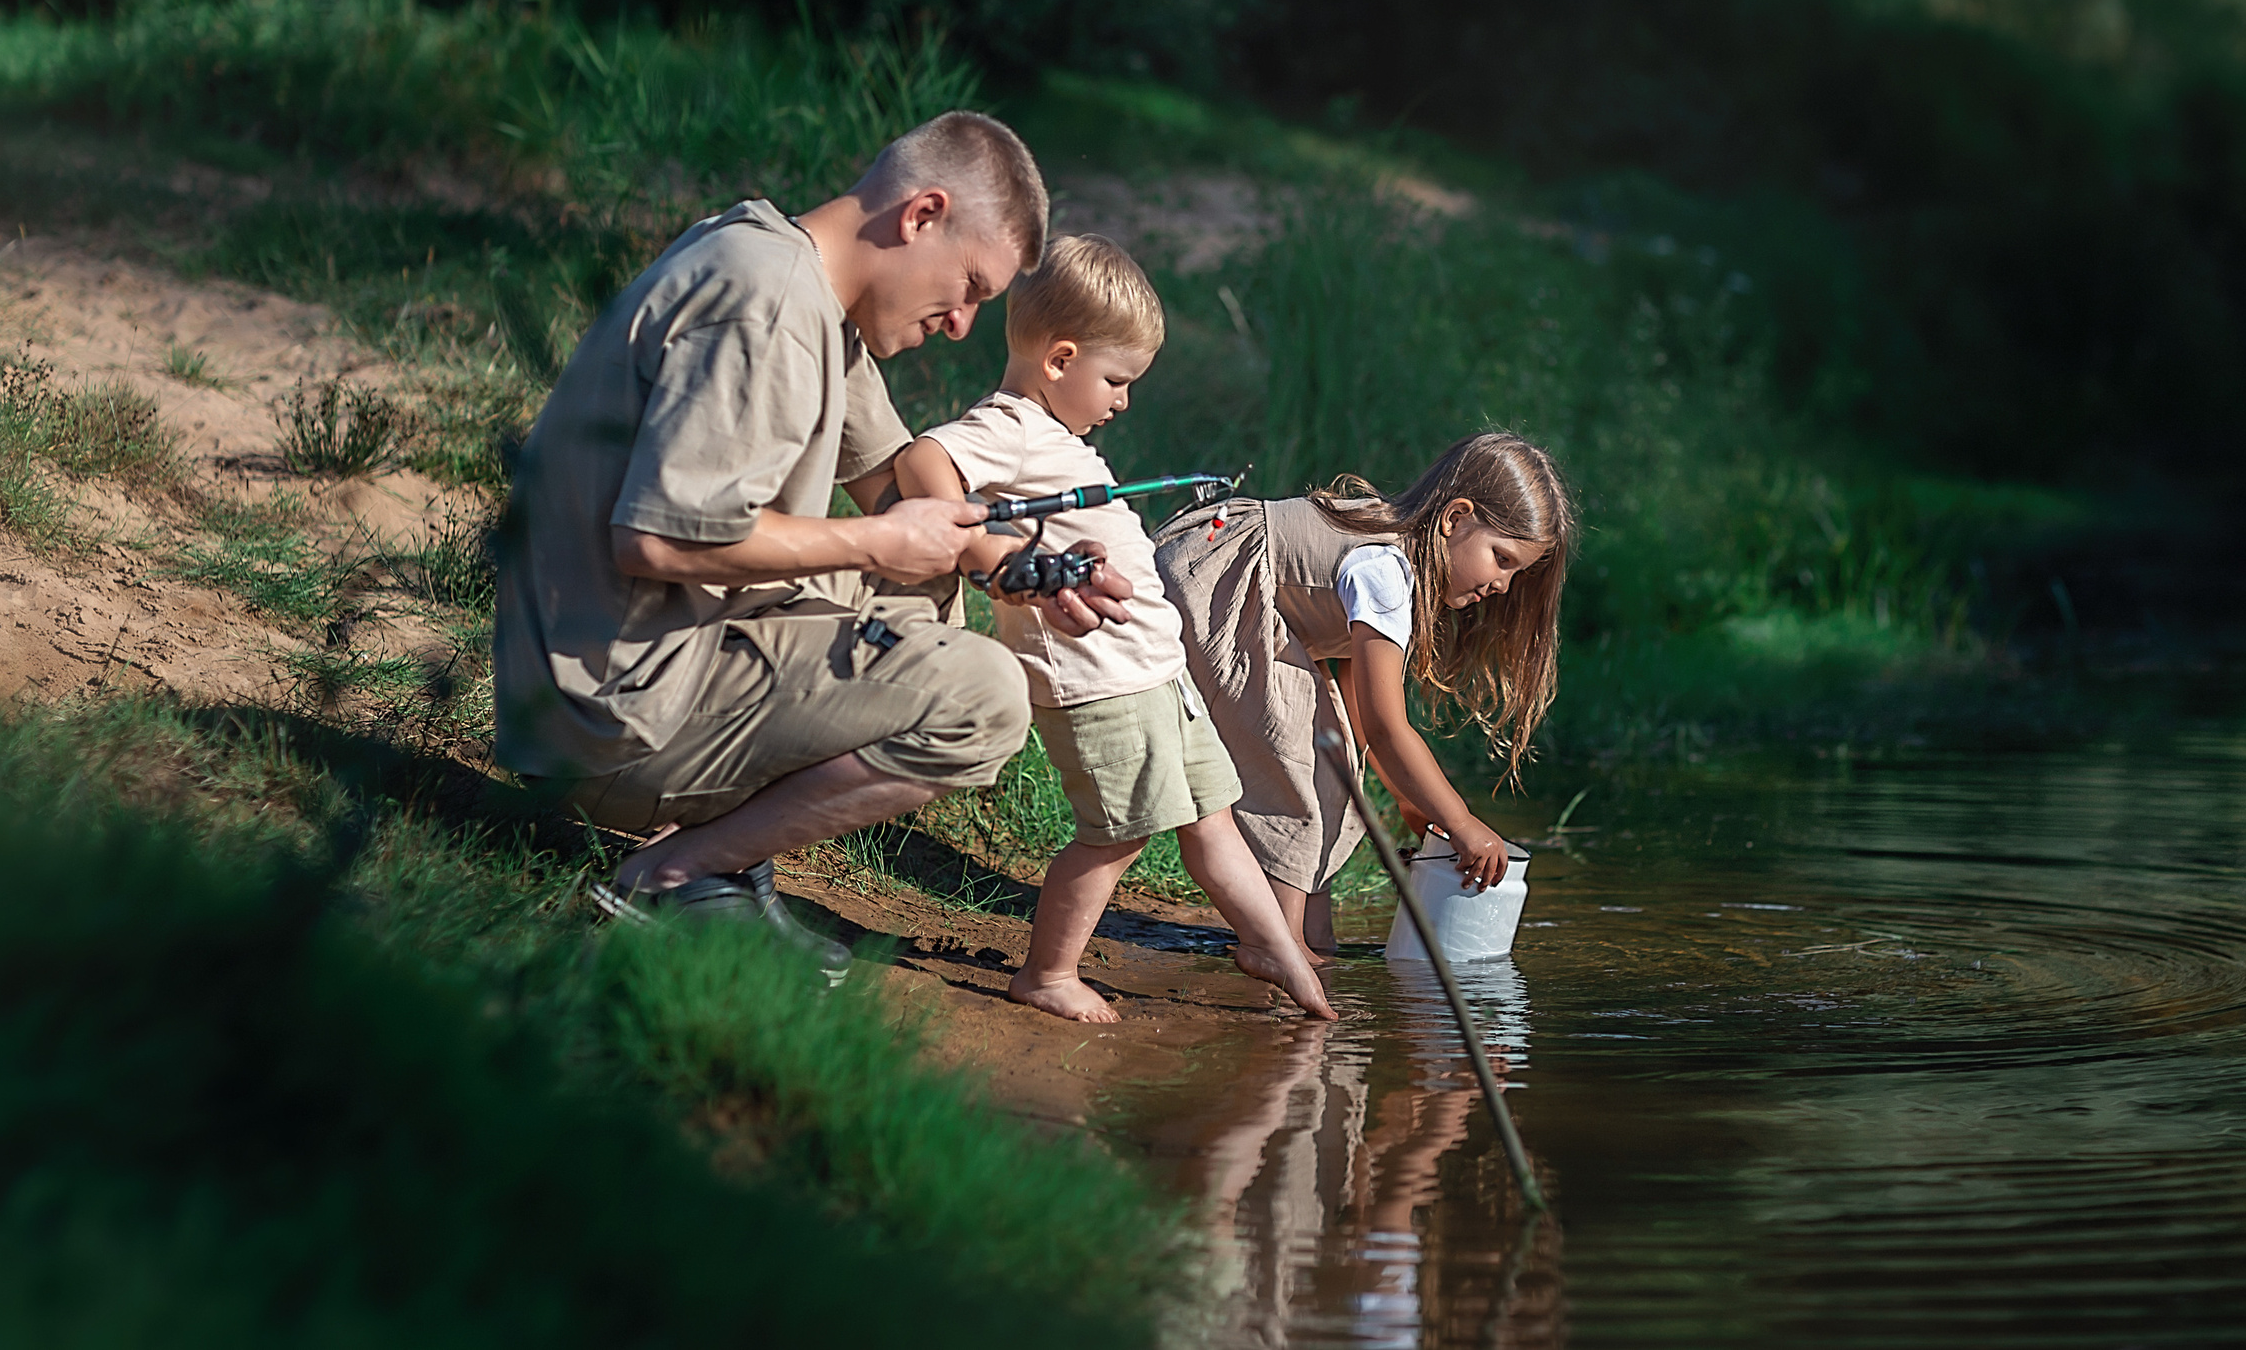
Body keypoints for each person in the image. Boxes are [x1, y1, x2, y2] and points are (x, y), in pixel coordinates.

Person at [493, 111, 1135, 965]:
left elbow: (896, 481)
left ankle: (725, 862)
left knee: (927, 584)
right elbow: (653, 542)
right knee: (983, 698)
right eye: (973, 286)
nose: (962, 325)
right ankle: (677, 873)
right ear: (921, 216)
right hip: (606, 714)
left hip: (625, 662)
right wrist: (875, 543)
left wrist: (1020, 565)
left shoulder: (793, 273)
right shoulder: (767, 307)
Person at [894, 234, 1337, 1021]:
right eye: (1117, 380)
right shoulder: (1015, 425)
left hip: (1154, 675)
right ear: (1059, 359)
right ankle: (1048, 971)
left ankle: (1275, 947)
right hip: (1100, 686)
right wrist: (976, 538)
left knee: (1212, 819)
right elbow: (925, 460)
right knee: (1119, 833)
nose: (1123, 400)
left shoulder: (1060, 438)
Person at [1155, 433, 1575, 958]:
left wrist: (1407, 798)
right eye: (1503, 559)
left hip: (1251, 604)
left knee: (1336, 764)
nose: (1504, 586)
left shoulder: (1401, 561)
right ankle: (1276, 945)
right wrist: (1463, 823)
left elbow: (1359, 706)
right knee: (1295, 769)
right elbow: (1387, 725)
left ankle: (1313, 940)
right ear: (1455, 519)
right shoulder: (1387, 572)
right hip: (1213, 587)